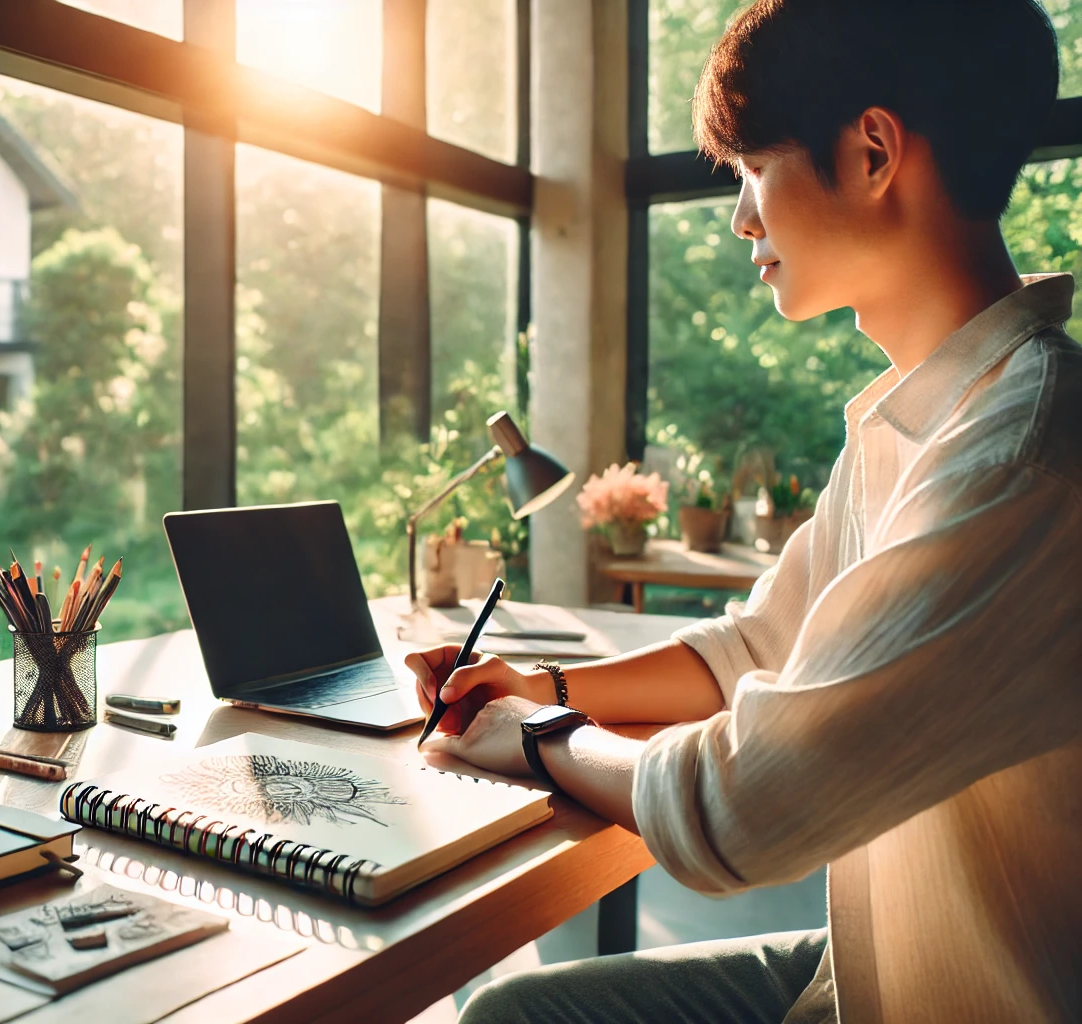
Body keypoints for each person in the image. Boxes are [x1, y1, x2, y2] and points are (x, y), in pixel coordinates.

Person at [408, 2, 1080, 1021]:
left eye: (752, 170)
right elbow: (751, 651)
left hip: (965, 992)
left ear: (870, 153)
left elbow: (742, 806)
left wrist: (536, 734)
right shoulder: (916, 419)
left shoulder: (1023, 455)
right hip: (859, 962)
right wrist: (538, 680)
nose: (740, 221)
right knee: (513, 1014)